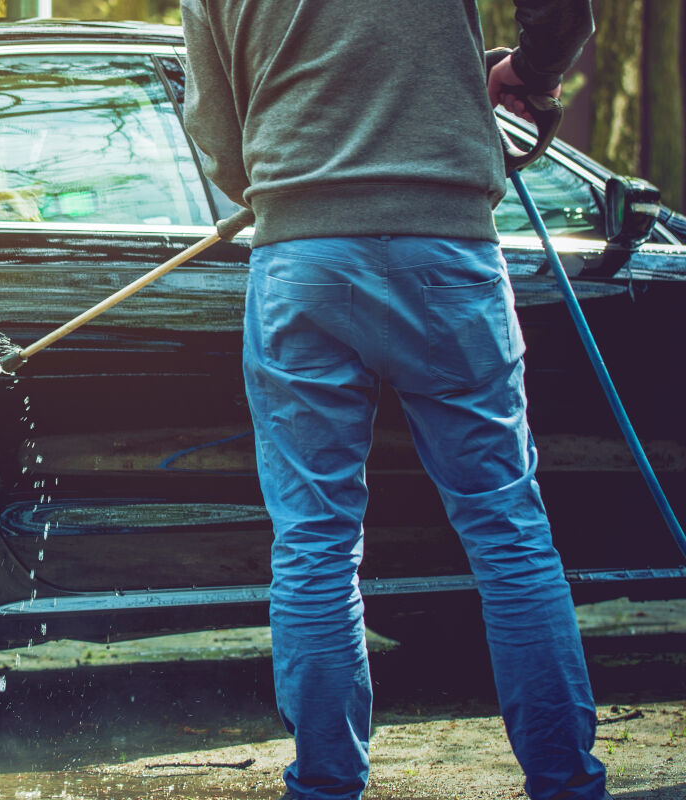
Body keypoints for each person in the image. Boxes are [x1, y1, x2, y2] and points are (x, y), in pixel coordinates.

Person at [180, 2, 606, 799]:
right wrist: (532, 73)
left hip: (302, 261)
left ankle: (327, 786)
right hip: (447, 249)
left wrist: (293, 189)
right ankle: (567, 784)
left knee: (314, 541)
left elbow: (216, 131)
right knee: (507, 527)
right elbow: (565, 11)